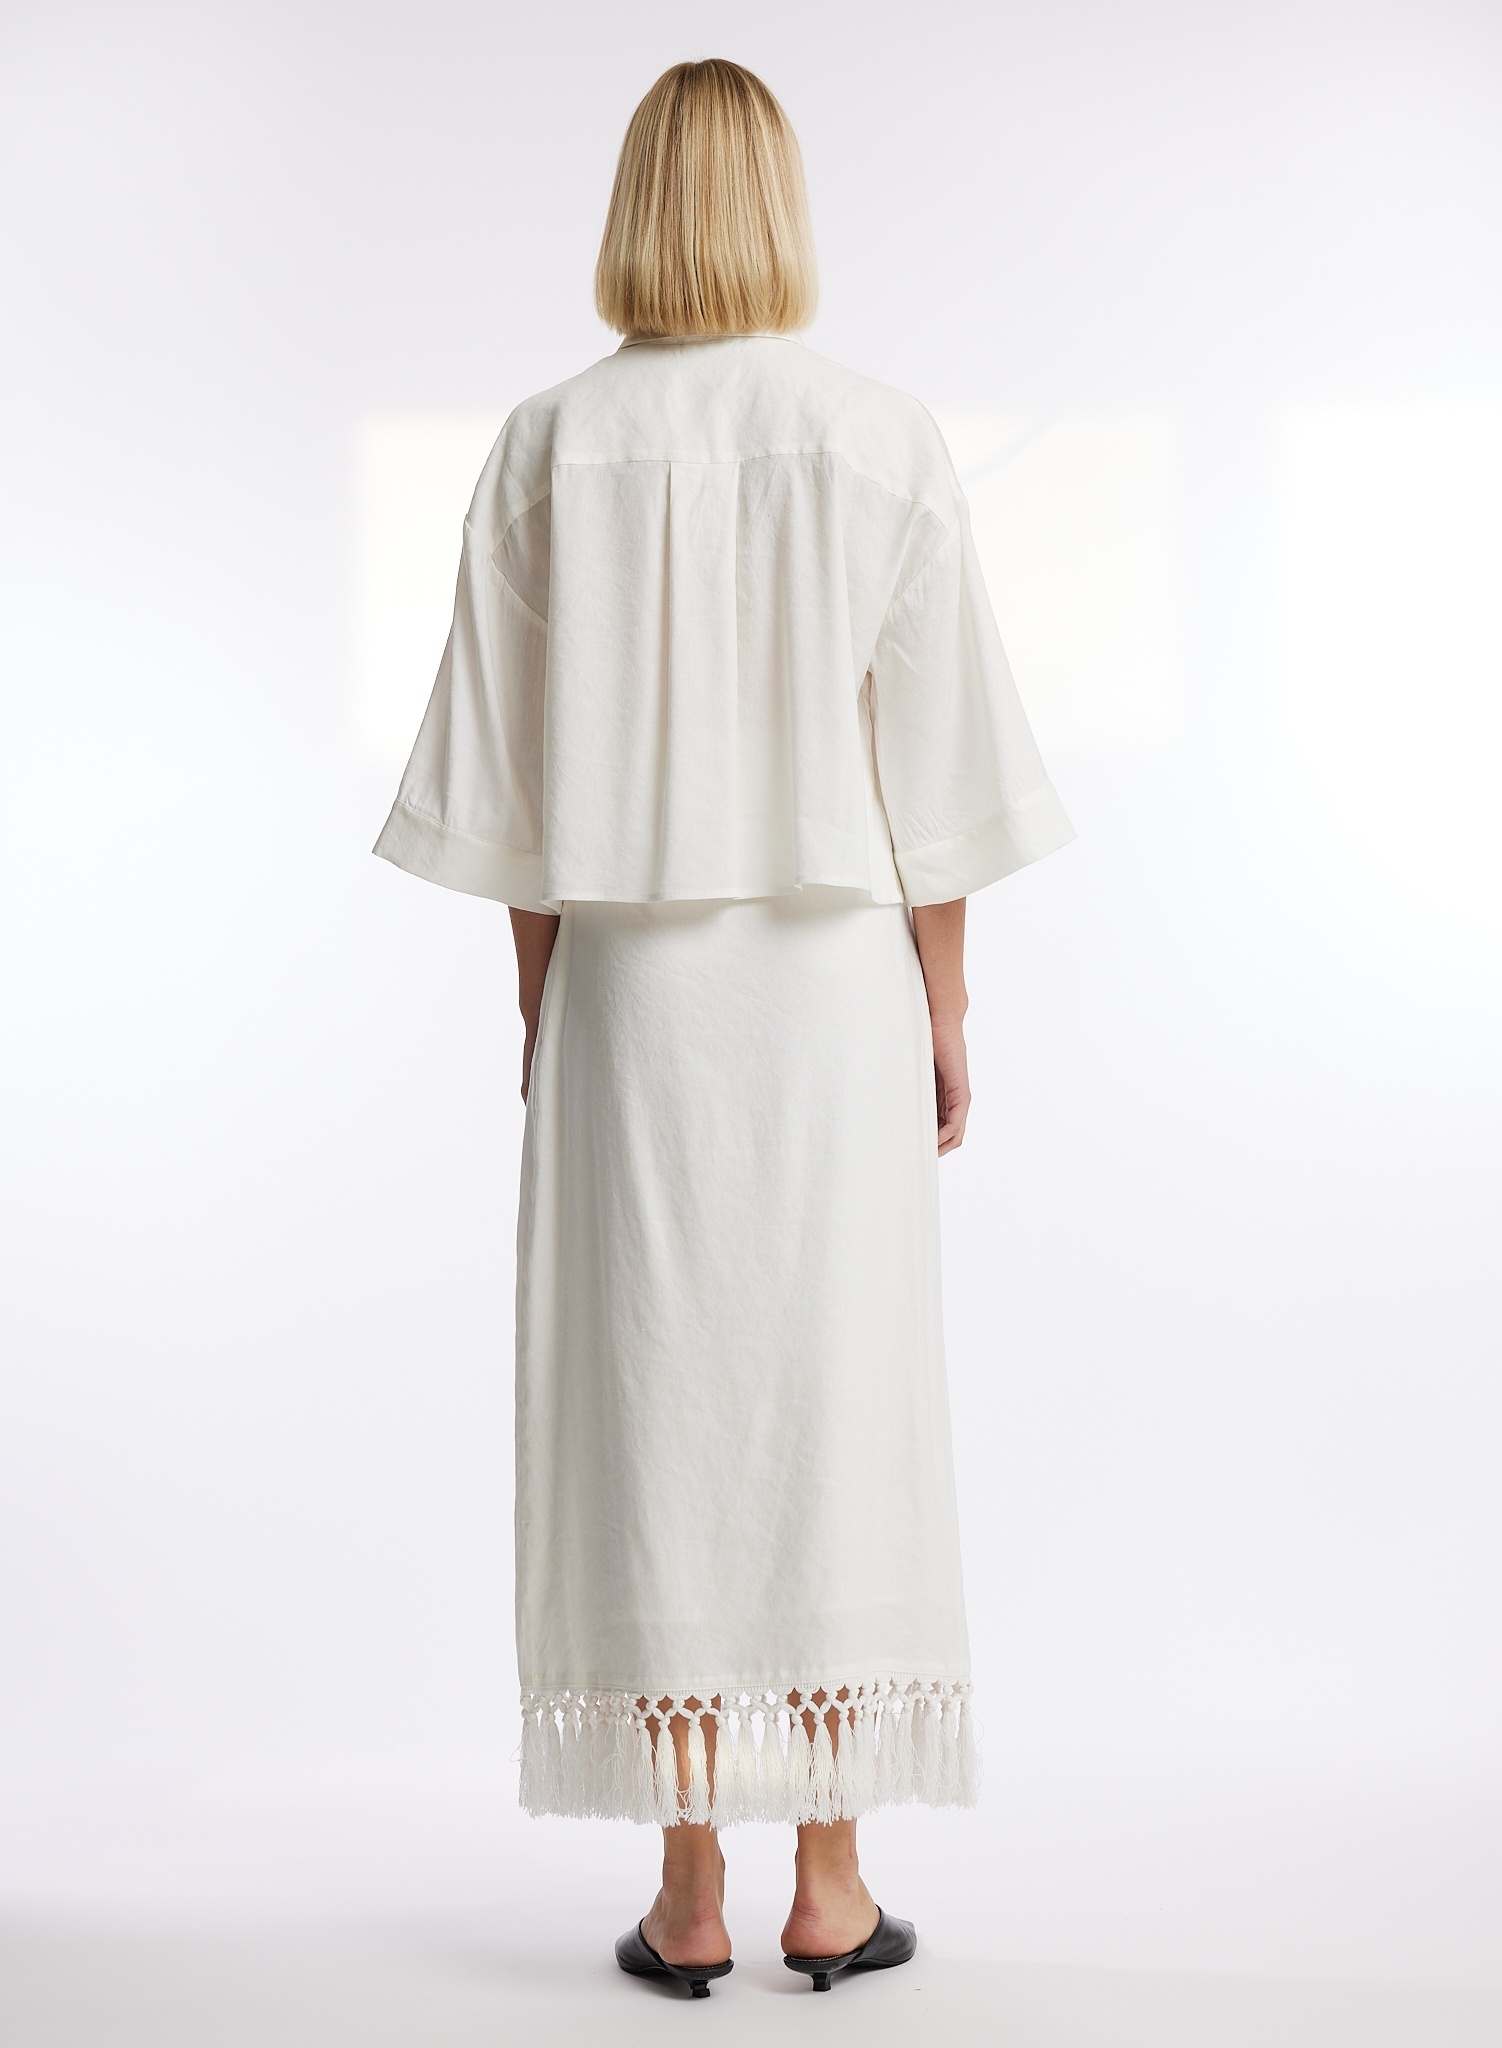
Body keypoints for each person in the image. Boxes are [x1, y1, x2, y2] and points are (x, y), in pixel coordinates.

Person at [374, 57, 1074, 1999]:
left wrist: (546, 1003)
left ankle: (688, 1887)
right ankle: (828, 1881)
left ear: (632, 207)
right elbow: (938, 777)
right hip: (833, 990)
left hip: (632, 998)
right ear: (779, 203)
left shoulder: (546, 447)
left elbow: (508, 791)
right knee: (837, 1403)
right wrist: (944, 1006)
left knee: (655, 1405)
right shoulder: (875, 437)